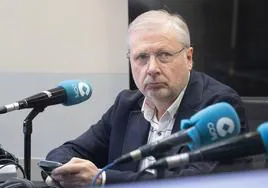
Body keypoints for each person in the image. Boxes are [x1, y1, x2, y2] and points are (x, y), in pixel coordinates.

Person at [44, 10, 248, 187]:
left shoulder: (219, 105)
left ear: (188, 58)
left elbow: (196, 180)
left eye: (164, 55)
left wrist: (103, 179)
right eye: (141, 57)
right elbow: (69, 151)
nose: (152, 69)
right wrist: (63, 172)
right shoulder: (126, 105)